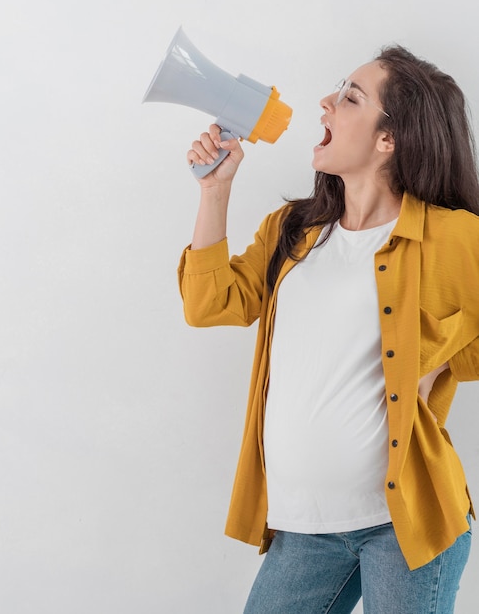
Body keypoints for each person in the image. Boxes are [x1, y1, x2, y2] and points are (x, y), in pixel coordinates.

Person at [178, 45, 479, 613]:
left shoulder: (450, 237)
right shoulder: (293, 232)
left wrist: (441, 359)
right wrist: (214, 191)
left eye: (350, 97)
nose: (325, 102)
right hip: (304, 528)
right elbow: (208, 302)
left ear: (388, 139)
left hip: (406, 522)